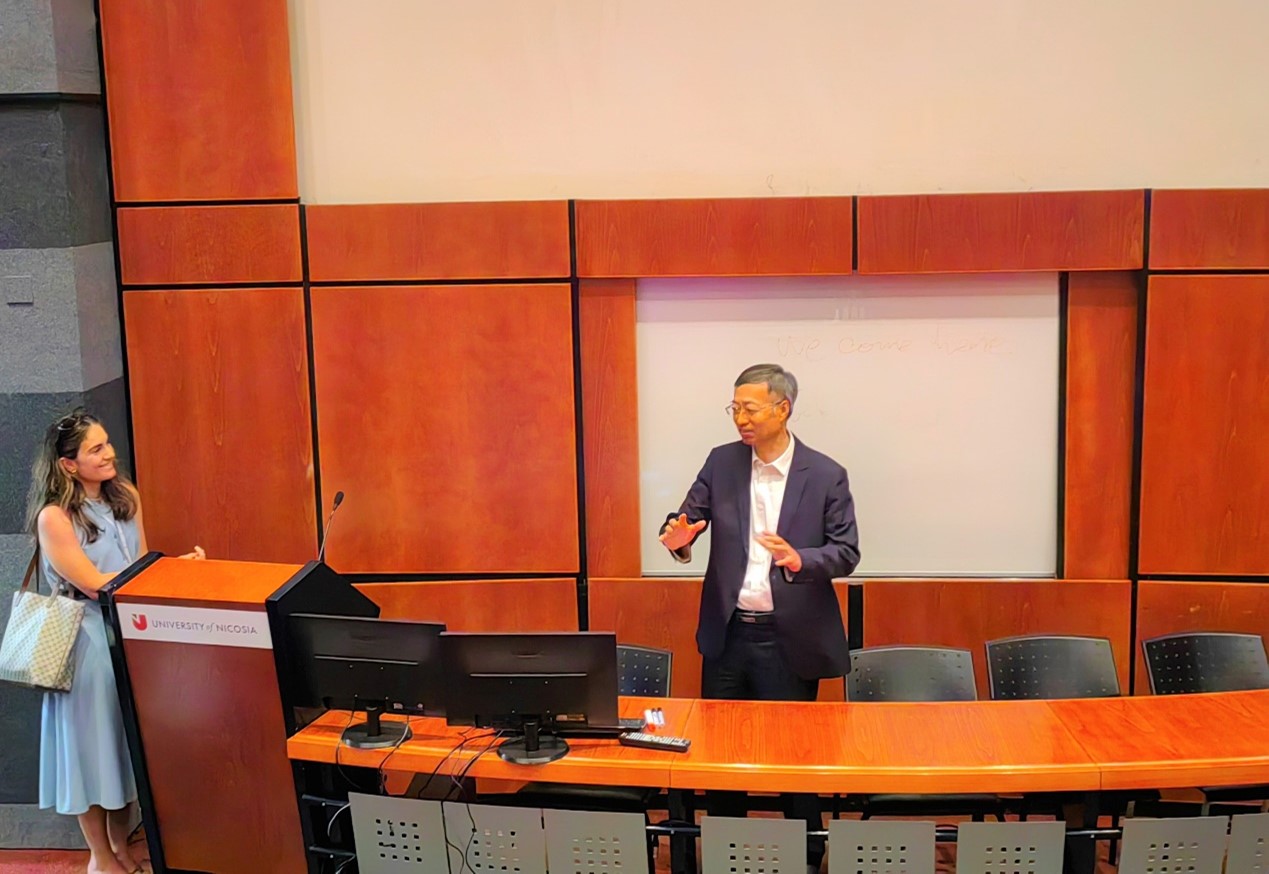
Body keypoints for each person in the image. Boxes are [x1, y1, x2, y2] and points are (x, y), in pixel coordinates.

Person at [659, 363, 859, 874]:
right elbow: (686, 519)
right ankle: (727, 854)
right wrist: (678, 538)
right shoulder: (722, 462)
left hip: (789, 640)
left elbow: (846, 551)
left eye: (750, 408)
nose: (740, 419)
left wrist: (800, 559)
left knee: (794, 761)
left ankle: (806, 857)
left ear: (782, 408)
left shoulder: (826, 474)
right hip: (728, 635)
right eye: (735, 408)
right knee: (722, 760)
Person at [25, 409, 204, 874]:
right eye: (96, 449)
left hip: (127, 634)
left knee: (123, 753)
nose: (109, 454)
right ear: (68, 464)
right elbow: (94, 584)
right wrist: (165, 571)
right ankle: (101, 858)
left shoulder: (125, 497)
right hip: (85, 643)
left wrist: (172, 570)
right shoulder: (54, 517)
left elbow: (138, 566)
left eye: (107, 444)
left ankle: (122, 848)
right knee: (90, 755)